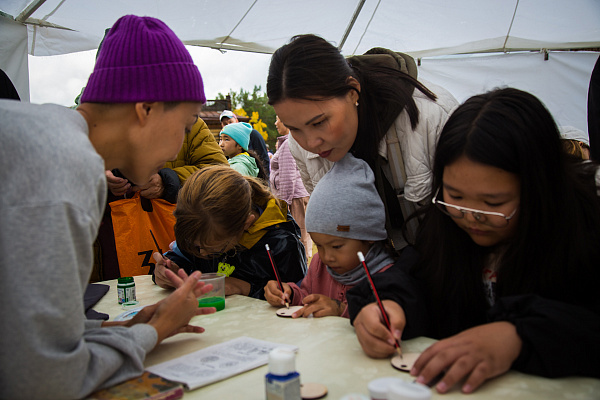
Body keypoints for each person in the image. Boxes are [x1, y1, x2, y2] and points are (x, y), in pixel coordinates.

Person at [0, 15, 218, 399]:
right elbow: (45, 380)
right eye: (185, 127)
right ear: (146, 108)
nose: (176, 151)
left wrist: (120, 329)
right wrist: (152, 332)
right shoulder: (65, 160)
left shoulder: (43, 134)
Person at [347, 88, 600, 394]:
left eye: (493, 203)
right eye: (455, 195)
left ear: (539, 188)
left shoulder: (584, 233)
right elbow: (416, 278)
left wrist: (518, 336)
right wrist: (389, 304)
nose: (471, 216)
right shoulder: (445, 228)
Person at [266, 34, 458, 251]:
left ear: (352, 92)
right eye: (294, 128)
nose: (311, 143)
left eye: (319, 122)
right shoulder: (297, 145)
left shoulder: (431, 116)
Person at [95, 117, 228, 280]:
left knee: (164, 280)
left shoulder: (188, 121)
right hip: (102, 243)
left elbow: (220, 173)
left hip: (173, 233)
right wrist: (97, 173)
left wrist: (169, 181)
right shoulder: (96, 122)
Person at [265, 154, 396, 318]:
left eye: (336, 246)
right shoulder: (319, 265)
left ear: (369, 236)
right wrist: (290, 294)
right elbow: (306, 297)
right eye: (319, 245)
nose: (326, 257)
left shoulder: (388, 277)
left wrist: (342, 310)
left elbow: (385, 320)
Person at [152, 165, 307, 300]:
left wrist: (244, 288)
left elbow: (297, 298)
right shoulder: (201, 231)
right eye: (195, 246)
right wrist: (168, 270)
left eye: (215, 250)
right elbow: (181, 256)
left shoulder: (282, 246)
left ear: (246, 224)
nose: (202, 253)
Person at [270, 115, 312, 259]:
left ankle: (303, 268)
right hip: (297, 195)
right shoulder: (290, 142)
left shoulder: (288, 144)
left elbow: (287, 175)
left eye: (278, 119)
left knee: (299, 236)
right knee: (302, 234)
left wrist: (284, 202)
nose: (275, 123)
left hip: (294, 197)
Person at [220, 109, 271, 179]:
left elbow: (264, 157)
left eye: (226, 139)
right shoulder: (233, 161)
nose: (221, 144)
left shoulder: (239, 167)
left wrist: (265, 179)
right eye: (220, 139)